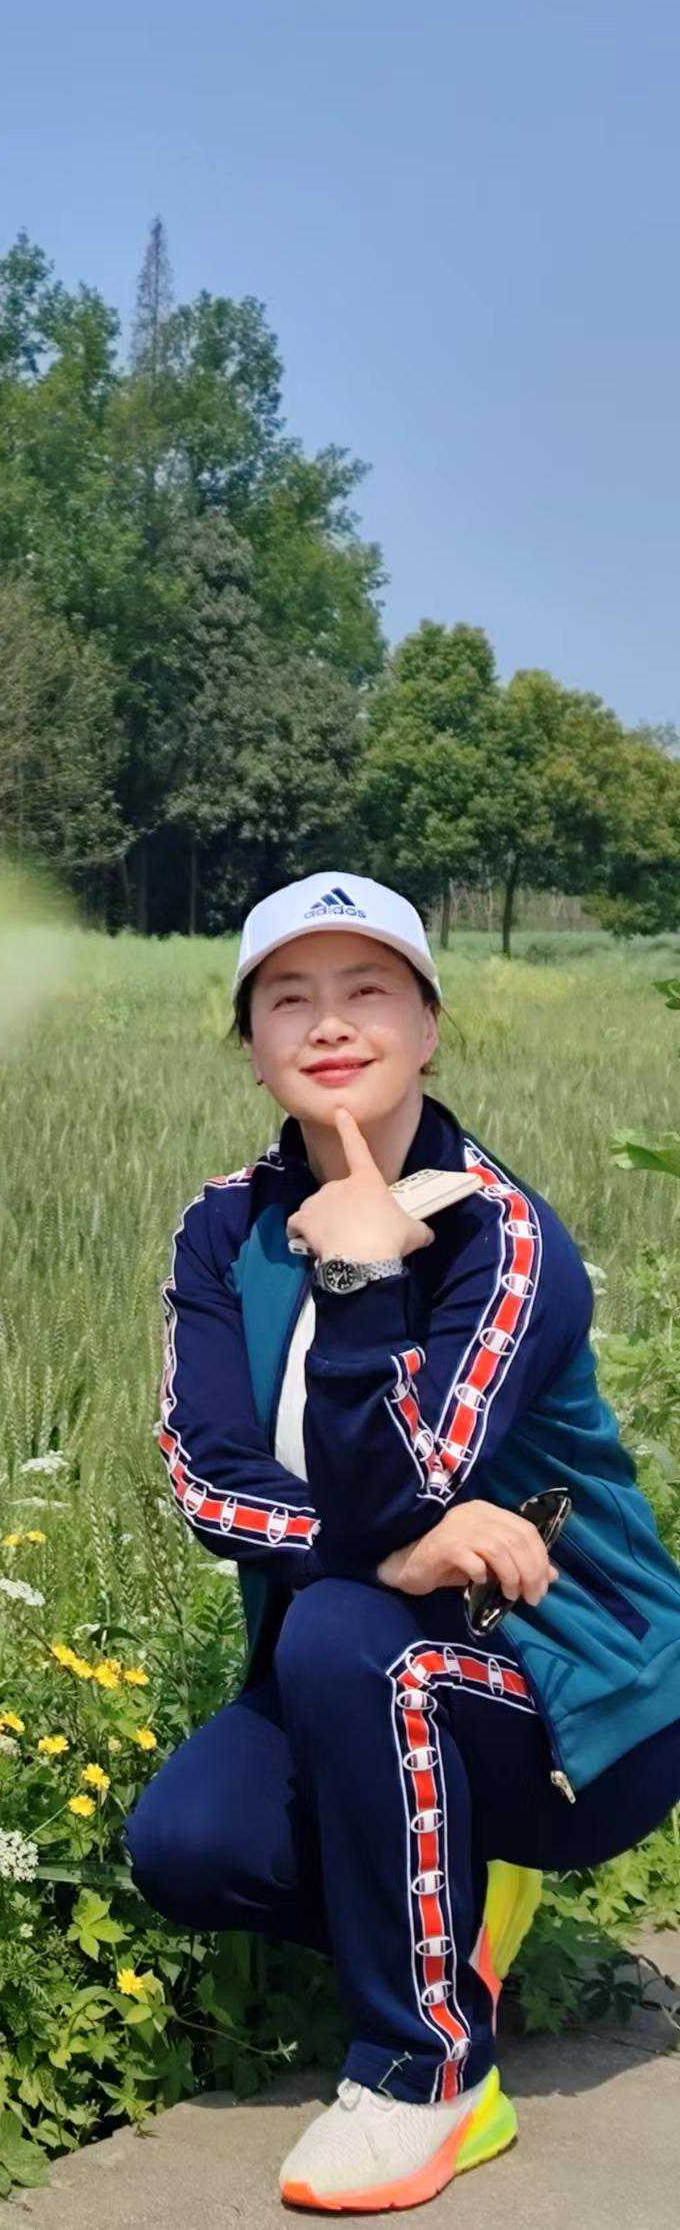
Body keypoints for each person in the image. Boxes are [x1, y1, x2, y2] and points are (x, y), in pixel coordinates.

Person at [122, 870, 680, 2213]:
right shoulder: (223, 1227)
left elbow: (422, 1477)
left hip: (575, 1688)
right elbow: (207, 1479)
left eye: (367, 990)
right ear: (251, 1043)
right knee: (190, 1845)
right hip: (370, 1653)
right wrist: (384, 1552)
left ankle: (426, 2074)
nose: (329, 1022)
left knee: (336, 1629)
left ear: (428, 1027)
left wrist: (366, 1276)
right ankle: (446, 1909)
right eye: (288, 997)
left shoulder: (503, 1233)